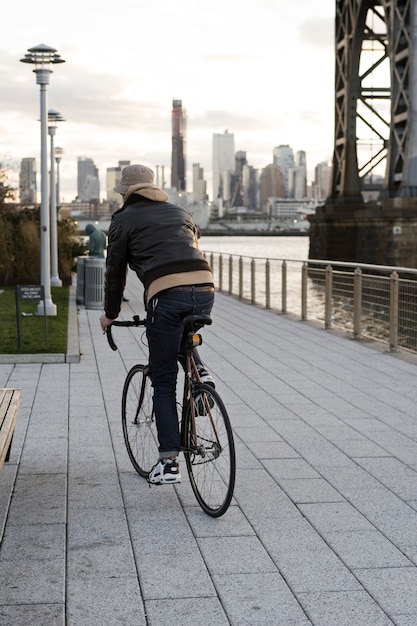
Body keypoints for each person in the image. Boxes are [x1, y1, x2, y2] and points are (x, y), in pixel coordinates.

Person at [99, 164, 214, 485]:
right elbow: (189, 242)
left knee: (163, 381)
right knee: (181, 336)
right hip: (205, 289)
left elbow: (114, 273)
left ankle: (168, 464)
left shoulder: (122, 220)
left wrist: (110, 314)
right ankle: (202, 372)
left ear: (126, 192)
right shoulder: (180, 211)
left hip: (166, 295)